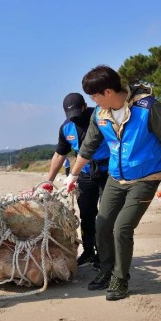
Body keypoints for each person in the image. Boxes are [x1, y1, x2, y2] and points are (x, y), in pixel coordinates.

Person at [63, 65, 161, 301]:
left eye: (94, 95)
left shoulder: (148, 108)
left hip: (145, 179)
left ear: (108, 92)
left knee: (122, 228)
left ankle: (120, 279)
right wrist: (73, 175)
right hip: (116, 179)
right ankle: (106, 271)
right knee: (102, 224)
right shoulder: (100, 114)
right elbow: (88, 147)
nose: (92, 101)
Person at [44, 92, 110, 268]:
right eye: (70, 116)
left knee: (106, 215)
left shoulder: (101, 118)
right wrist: (48, 181)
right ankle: (89, 251)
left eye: (78, 115)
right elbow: (59, 154)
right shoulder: (66, 127)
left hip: (108, 172)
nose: (75, 119)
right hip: (84, 174)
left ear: (85, 107)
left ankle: (104, 254)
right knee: (87, 215)